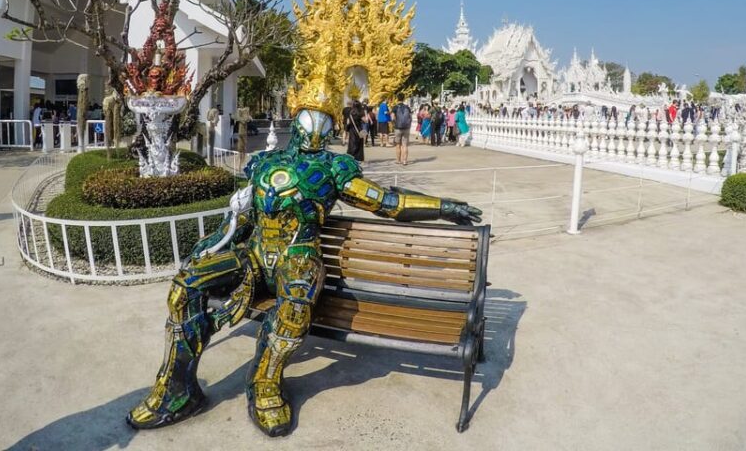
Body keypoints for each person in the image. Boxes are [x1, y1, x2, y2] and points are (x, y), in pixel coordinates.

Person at [126, 105, 482, 437]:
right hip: (253, 252)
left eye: (320, 134)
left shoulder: (334, 169)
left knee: (295, 304)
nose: (312, 140)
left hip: (298, 255)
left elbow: (389, 203)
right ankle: (177, 389)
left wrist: (443, 206)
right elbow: (244, 213)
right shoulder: (264, 162)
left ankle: (265, 382)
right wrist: (216, 242)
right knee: (185, 286)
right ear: (294, 131)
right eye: (307, 132)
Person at [391, 93, 412, 165]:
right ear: (404, 99)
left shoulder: (395, 107)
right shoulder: (407, 107)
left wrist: (394, 124)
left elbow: (392, 118)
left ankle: (398, 160)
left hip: (398, 128)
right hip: (406, 128)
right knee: (405, 145)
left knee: (398, 145)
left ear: (397, 98)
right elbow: (410, 117)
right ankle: (405, 161)